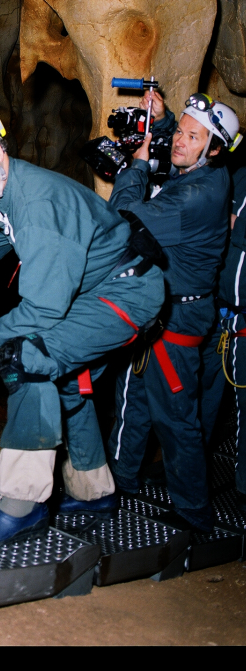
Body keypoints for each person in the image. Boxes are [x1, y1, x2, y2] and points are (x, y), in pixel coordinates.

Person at [0, 109, 165, 546]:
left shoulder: (36, 204)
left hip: (125, 294)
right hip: (98, 293)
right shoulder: (3, 194)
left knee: (27, 359)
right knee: (67, 383)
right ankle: (95, 494)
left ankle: (23, 506)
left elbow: (42, 311)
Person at [107, 93, 240, 532]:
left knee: (175, 417)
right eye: (179, 131)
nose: (178, 142)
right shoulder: (212, 172)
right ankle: (121, 480)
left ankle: (193, 512)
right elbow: (184, 152)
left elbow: (121, 219)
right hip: (168, 310)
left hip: (178, 319)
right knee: (139, 401)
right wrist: (162, 124)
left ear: (215, 148)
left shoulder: (194, 197)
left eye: (191, 136)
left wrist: (137, 166)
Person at [199, 166, 246, 512]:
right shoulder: (239, 176)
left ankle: (243, 492)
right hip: (218, 314)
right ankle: (189, 479)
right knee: (200, 398)